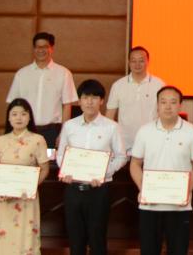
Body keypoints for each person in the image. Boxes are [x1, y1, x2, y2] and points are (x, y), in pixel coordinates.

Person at [130, 86, 193, 255]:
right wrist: (144, 188)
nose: (168, 106)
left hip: (179, 206)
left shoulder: (192, 132)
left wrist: (187, 190)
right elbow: (135, 163)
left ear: (180, 105)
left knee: (178, 250)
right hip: (150, 205)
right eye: (163, 102)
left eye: (173, 102)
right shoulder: (145, 131)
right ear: (157, 105)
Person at [56, 79, 128, 255]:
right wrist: (65, 171)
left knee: (97, 240)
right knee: (75, 241)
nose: (89, 102)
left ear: (101, 101)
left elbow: (121, 156)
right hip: (73, 189)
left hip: (99, 190)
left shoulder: (112, 127)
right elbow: (61, 154)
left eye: (94, 97)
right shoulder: (69, 126)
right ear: (79, 101)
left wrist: (104, 173)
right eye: (85, 97)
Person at [0, 98, 51, 255]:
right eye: (14, 114)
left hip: (26, 199)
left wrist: (31, 187)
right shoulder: (0, 141)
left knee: (26, 237)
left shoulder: (38, 140)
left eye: (23, 114)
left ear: (29, 117)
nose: (19, 118)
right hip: (4, 200)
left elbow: (45, 169)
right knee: (5, 237)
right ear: (9, 118)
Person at [6, 31, 79, 148]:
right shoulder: (22, 74)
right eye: (37, 47)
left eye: (45, 47)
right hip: (26, 130)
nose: (41, 50)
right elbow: (13, 105)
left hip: (52, 131)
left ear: (52, 48)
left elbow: (67, 106)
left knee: (50, 160)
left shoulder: (63, 73)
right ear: (34, 49)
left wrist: (63, 134)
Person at [106, 46, 165, 152]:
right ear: (129, 62)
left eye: (141, 60)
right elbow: (110, 115)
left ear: (148, 61)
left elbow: (164, 113)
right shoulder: (118, 85)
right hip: (124, 143)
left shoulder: (159, 84)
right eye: (133, 61)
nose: (137, 64)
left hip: (152, 141)